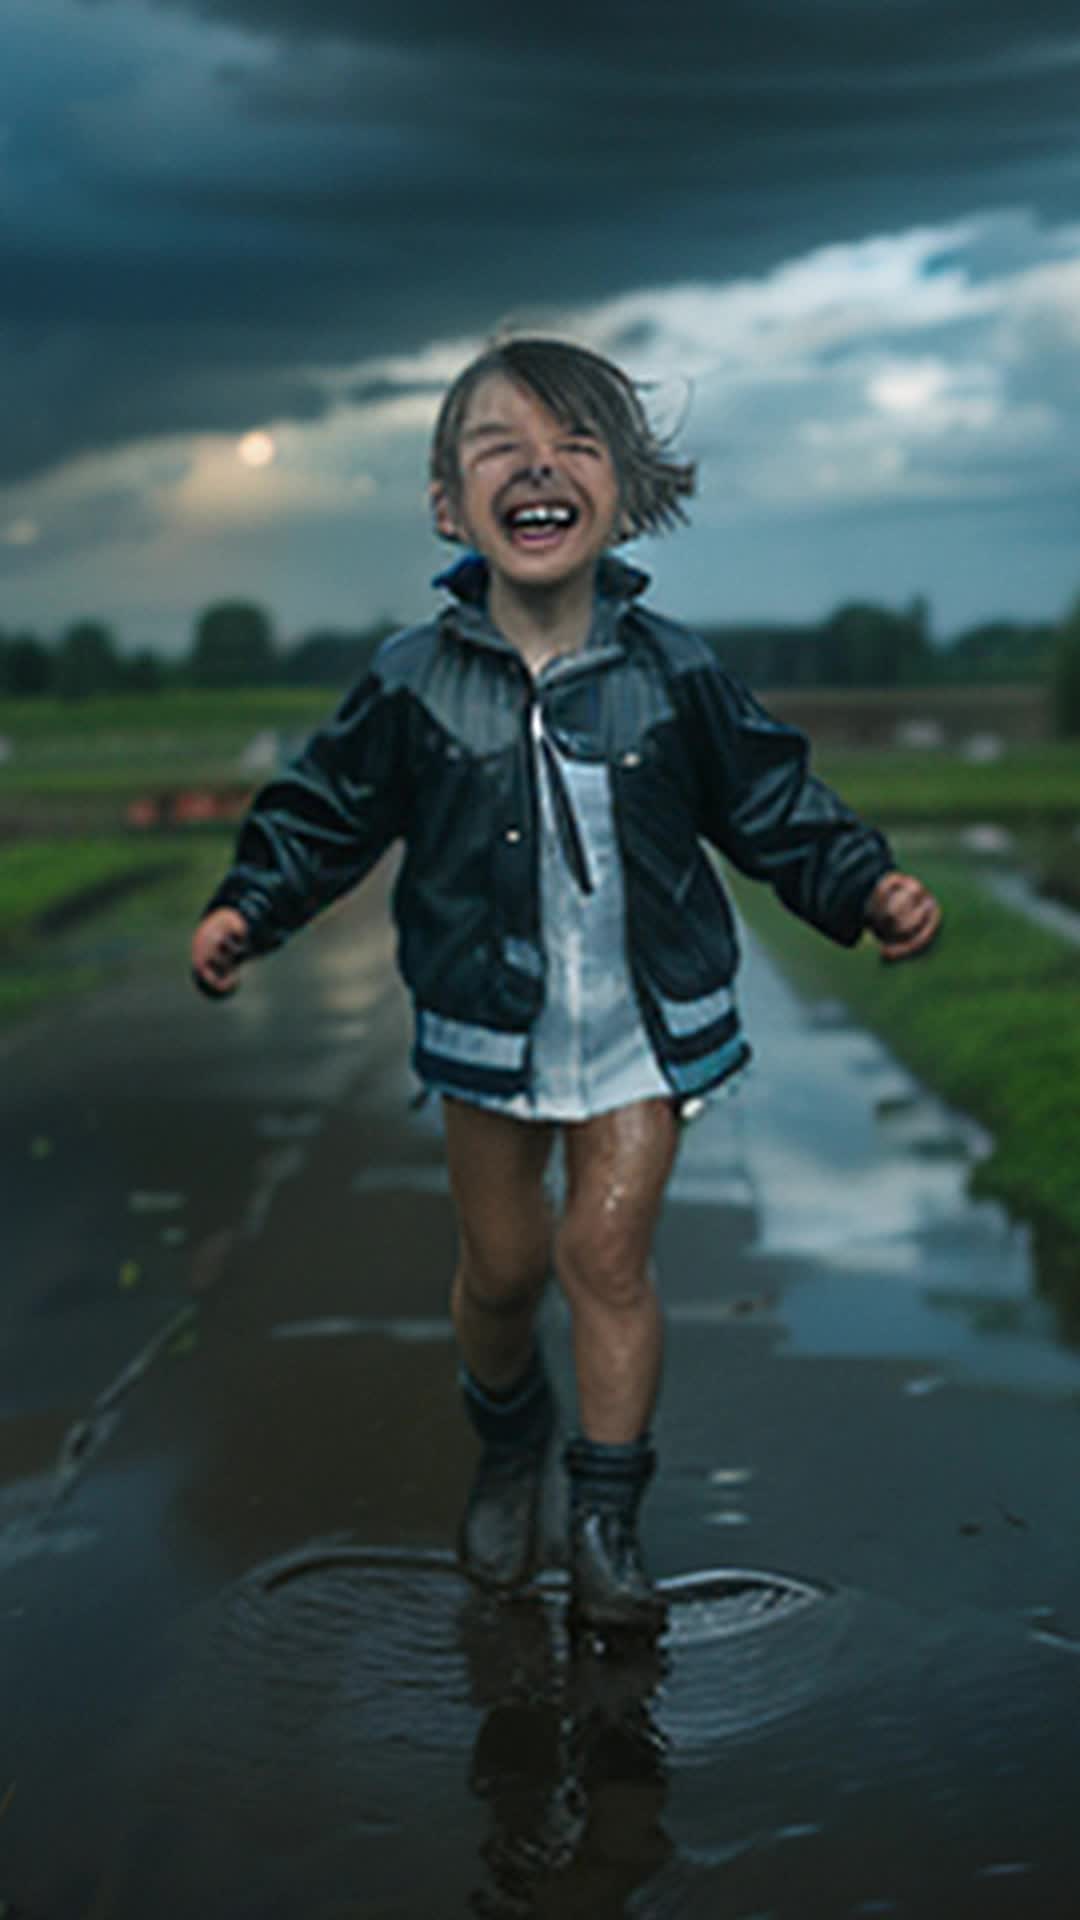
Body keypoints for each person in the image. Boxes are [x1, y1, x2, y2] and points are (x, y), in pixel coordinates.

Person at [191, 335, 941, 1636]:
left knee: (605, 1252)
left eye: (576, 444)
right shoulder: (412, 680)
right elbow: (326, 812)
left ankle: (605, 1523)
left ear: (625, 491)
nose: (537, 466)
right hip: (491, 1023)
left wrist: (865, 884)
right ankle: (510, 1435)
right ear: (448, 504)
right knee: (503, 1269)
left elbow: (772, 803)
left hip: (642, 1027)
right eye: (499, 446)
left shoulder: (677, 671)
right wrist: (251, 903)